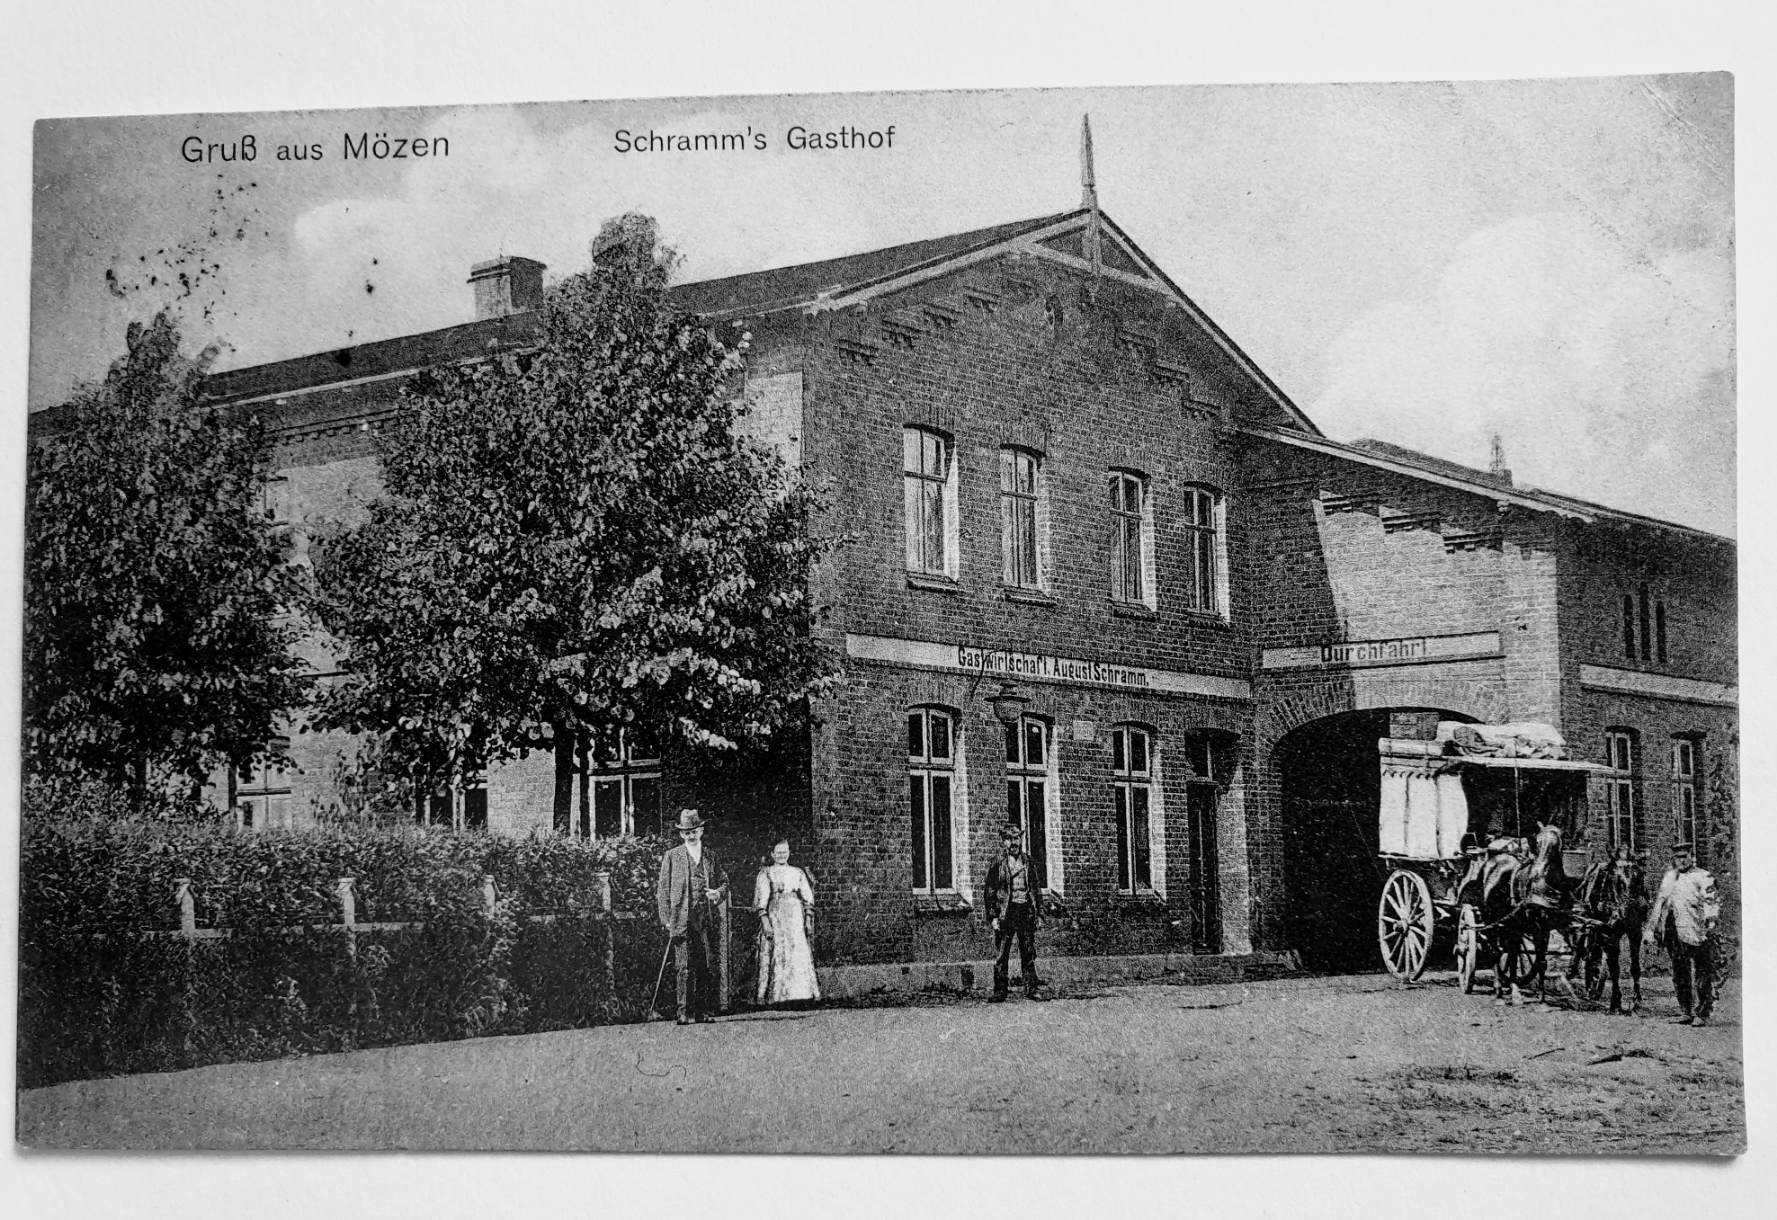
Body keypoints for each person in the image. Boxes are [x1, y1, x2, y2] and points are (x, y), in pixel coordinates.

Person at [656, 808, 729, 1025]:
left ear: (701, 831)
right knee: (684, 968)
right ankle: (683, 1012)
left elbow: (725, 882)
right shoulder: (672, 856)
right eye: (686, 832)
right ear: (681, 834)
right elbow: (663, 891)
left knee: (706, 966)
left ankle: (703, 1011)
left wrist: (718, 893)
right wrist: (666, 919)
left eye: (694, 831)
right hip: (681, 919)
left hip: (705, 919)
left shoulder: (710, 856)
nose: (691, 835)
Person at [1644, 840, 1721, 1026]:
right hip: (1675, 931)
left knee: (1702, 972)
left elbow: (1712, 902)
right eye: (1678, 858)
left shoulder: (1704, 876)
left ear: (1692, 857)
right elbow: (1659, 903)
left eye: (1685, 857)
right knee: (1680, 971)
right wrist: (1650, 928)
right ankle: (1685, 1010)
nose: (1682, 861)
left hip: (1698, 930)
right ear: (1674, 859)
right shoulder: (1670, 877)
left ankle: (1702, 1012)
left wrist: (1710, 923)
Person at [753, 839, 821, 1006]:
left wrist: (808, 919)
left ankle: (801, 994)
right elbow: (761, 900)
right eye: (778, 852)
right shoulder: (767, 873)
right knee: (777, 950)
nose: (782, 855)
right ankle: (776, 996)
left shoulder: (797, 872)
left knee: (797, 949)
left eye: (785, 852)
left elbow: (807, 897)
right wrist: (765, 921)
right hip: (776, 912)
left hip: (795, 914)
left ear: (789, 853)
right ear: (772, 854)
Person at [984, 821, 1044, 1002]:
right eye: (1009, 839)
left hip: (1025, 910)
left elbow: (1035, 889)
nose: (1013, 843)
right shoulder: (998, 864)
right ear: (1003, 842)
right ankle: (1000, 991)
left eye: (1016, 838)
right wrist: (993, 916)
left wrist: (1039, 913)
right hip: (1006, 913)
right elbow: (990, 892)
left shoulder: (1028, 862)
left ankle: (1032, 989)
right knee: (1002, 953)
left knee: (1028, 951)